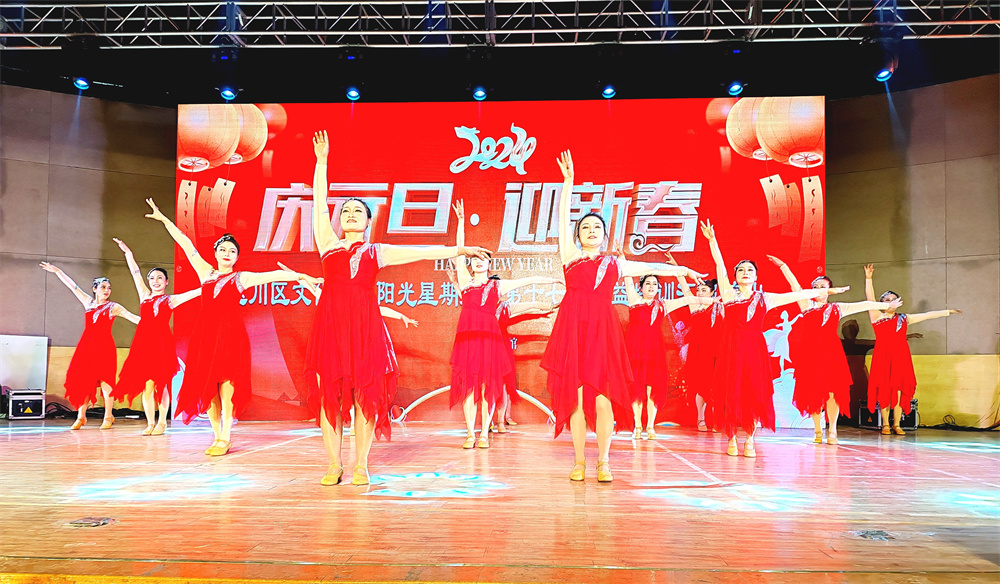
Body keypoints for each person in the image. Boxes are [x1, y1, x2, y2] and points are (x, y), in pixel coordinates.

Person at [306, 131, 491, 486]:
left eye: (358, 211)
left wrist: (460, 250)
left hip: (365, 331)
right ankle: (334, 464)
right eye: (345, 211)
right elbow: (318, 203)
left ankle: (361, 464)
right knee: (330, 394)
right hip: (330, 329)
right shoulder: (327, 244)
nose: (350, 214)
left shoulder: (378, 252)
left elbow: (423, 251)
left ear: (368, 221)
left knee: (364, 395)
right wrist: (322, 162)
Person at [542, 150, 704, 482]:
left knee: (603, 400)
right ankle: (579, 461)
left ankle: (603, 461)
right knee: (576, 400)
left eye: (596, 227)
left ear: (604, 235)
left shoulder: (616, 263)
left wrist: (683, 270)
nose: (591, 230)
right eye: (585, 227)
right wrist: (568, 184)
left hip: (603, 333)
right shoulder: (570, 257)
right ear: (578, 235)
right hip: (573, 331)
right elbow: (561, 218)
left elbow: (652, 266)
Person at [145, 198, 313, 456]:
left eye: (232, 251)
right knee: (208, 389)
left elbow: (272, 276)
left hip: (230, 335)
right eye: (223, 249)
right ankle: (216, 436)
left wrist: (300, 275)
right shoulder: (205, 273)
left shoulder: (241, 277)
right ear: (215, 253)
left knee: (227, 388)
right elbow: (185, 243)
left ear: (237, 256)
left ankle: (225, 437)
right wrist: (165, 220)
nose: (227, 253)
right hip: (205, 337)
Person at [699, 220, 848, 457]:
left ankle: (750, 439)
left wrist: (824, 291)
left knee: (753, 395)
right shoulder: (728, 294)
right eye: (741, 270)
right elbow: (719, 264)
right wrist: (712, 241)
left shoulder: (765, 298)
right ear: (735, 276)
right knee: (731, 393)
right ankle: (732, 437)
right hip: (731, 350)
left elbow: (796, 294)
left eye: (750, 270)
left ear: (756, 276)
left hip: (754, 351)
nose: (745, 273)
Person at [450, 200, 561, 449]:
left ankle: (483, 434)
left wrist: (551, 280)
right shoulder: (465, 282)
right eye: (476, 258)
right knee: (469, 388)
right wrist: (461, 222)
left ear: (490, 265)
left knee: (486, 388)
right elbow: (458, 253)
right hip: (468, 341)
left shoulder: (497, 285)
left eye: (484, 258)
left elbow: (528, 281)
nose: (479, 261)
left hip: (490, 342)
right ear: (471, 263)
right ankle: (470, 433)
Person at [768, 256, 900, 444]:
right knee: (814, 393)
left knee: (832, 393)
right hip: (811, 355)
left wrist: (886, 305)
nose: (819, 289)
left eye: (823, 286)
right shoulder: (806, 305)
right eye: (816, 286)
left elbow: (863, 305)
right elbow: (794, 286)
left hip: (832, 354)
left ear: (829, 289)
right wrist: (783, 265)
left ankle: (833, 430)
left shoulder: (838, 308)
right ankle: (817, 430)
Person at [111, 238, 202, 435]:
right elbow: (135, 272)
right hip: (143, 344)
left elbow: (195, 293)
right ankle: (150, 423)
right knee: (147, 386)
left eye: (160, 278)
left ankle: (162, 422)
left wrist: (211, 283)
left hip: (162, 344)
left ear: (166, 281)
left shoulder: (171, 299)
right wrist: (128, 253)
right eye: (152, 278)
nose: (155, 281)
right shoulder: (144, 295)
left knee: (162, 385)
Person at [39, 262, 139, 429]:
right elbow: (73, 286)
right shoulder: (88, 302)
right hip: (87, 347)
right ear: (95, 289)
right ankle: (81, 416)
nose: (107, 290)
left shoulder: (113, 307)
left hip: (105, 347)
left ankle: (108, 416)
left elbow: (133, 318)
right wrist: (57, 271)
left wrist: (152, 322)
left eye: (109, 288)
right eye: (103, 287)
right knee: (85, 381)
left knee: (106, 381)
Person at [864, 263, 960, 435]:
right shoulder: (877, 316)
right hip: (883, 356)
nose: (890, 302)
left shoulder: (904, 318)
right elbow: (869, 299)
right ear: (881, 303)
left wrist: (948, 312)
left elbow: (927, 315)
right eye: (887, 300)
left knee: (899, 390)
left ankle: (897, 424)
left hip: (901, 356)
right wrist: (868, 279)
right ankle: (885, 424)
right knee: (884, 389)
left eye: (893, 299)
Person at [621, 262, 710, 440]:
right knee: (636, 389)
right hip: (635, 350)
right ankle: (637, 426)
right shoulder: (634, 301)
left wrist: (712, 300)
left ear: (658, 288)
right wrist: (623, 259)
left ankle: (650, 426)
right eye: (647, 283)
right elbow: (627, 277)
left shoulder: (663, 305)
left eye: (655, 284)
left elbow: (687, 300)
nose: (651, 287)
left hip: (654, 351)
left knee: (652, 389)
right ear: (641, 287)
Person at [674, 273, 723, 432]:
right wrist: (679, 271)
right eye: (698, 290)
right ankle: (700, 418)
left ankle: (717, 419)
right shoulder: (695, 306)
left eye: (704, 290)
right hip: (699, 351)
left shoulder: (720, 307)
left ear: (712, 292)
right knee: (702, 386)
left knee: (716, 386)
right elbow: (685, 289)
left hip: (716, 351)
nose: (700, 293)